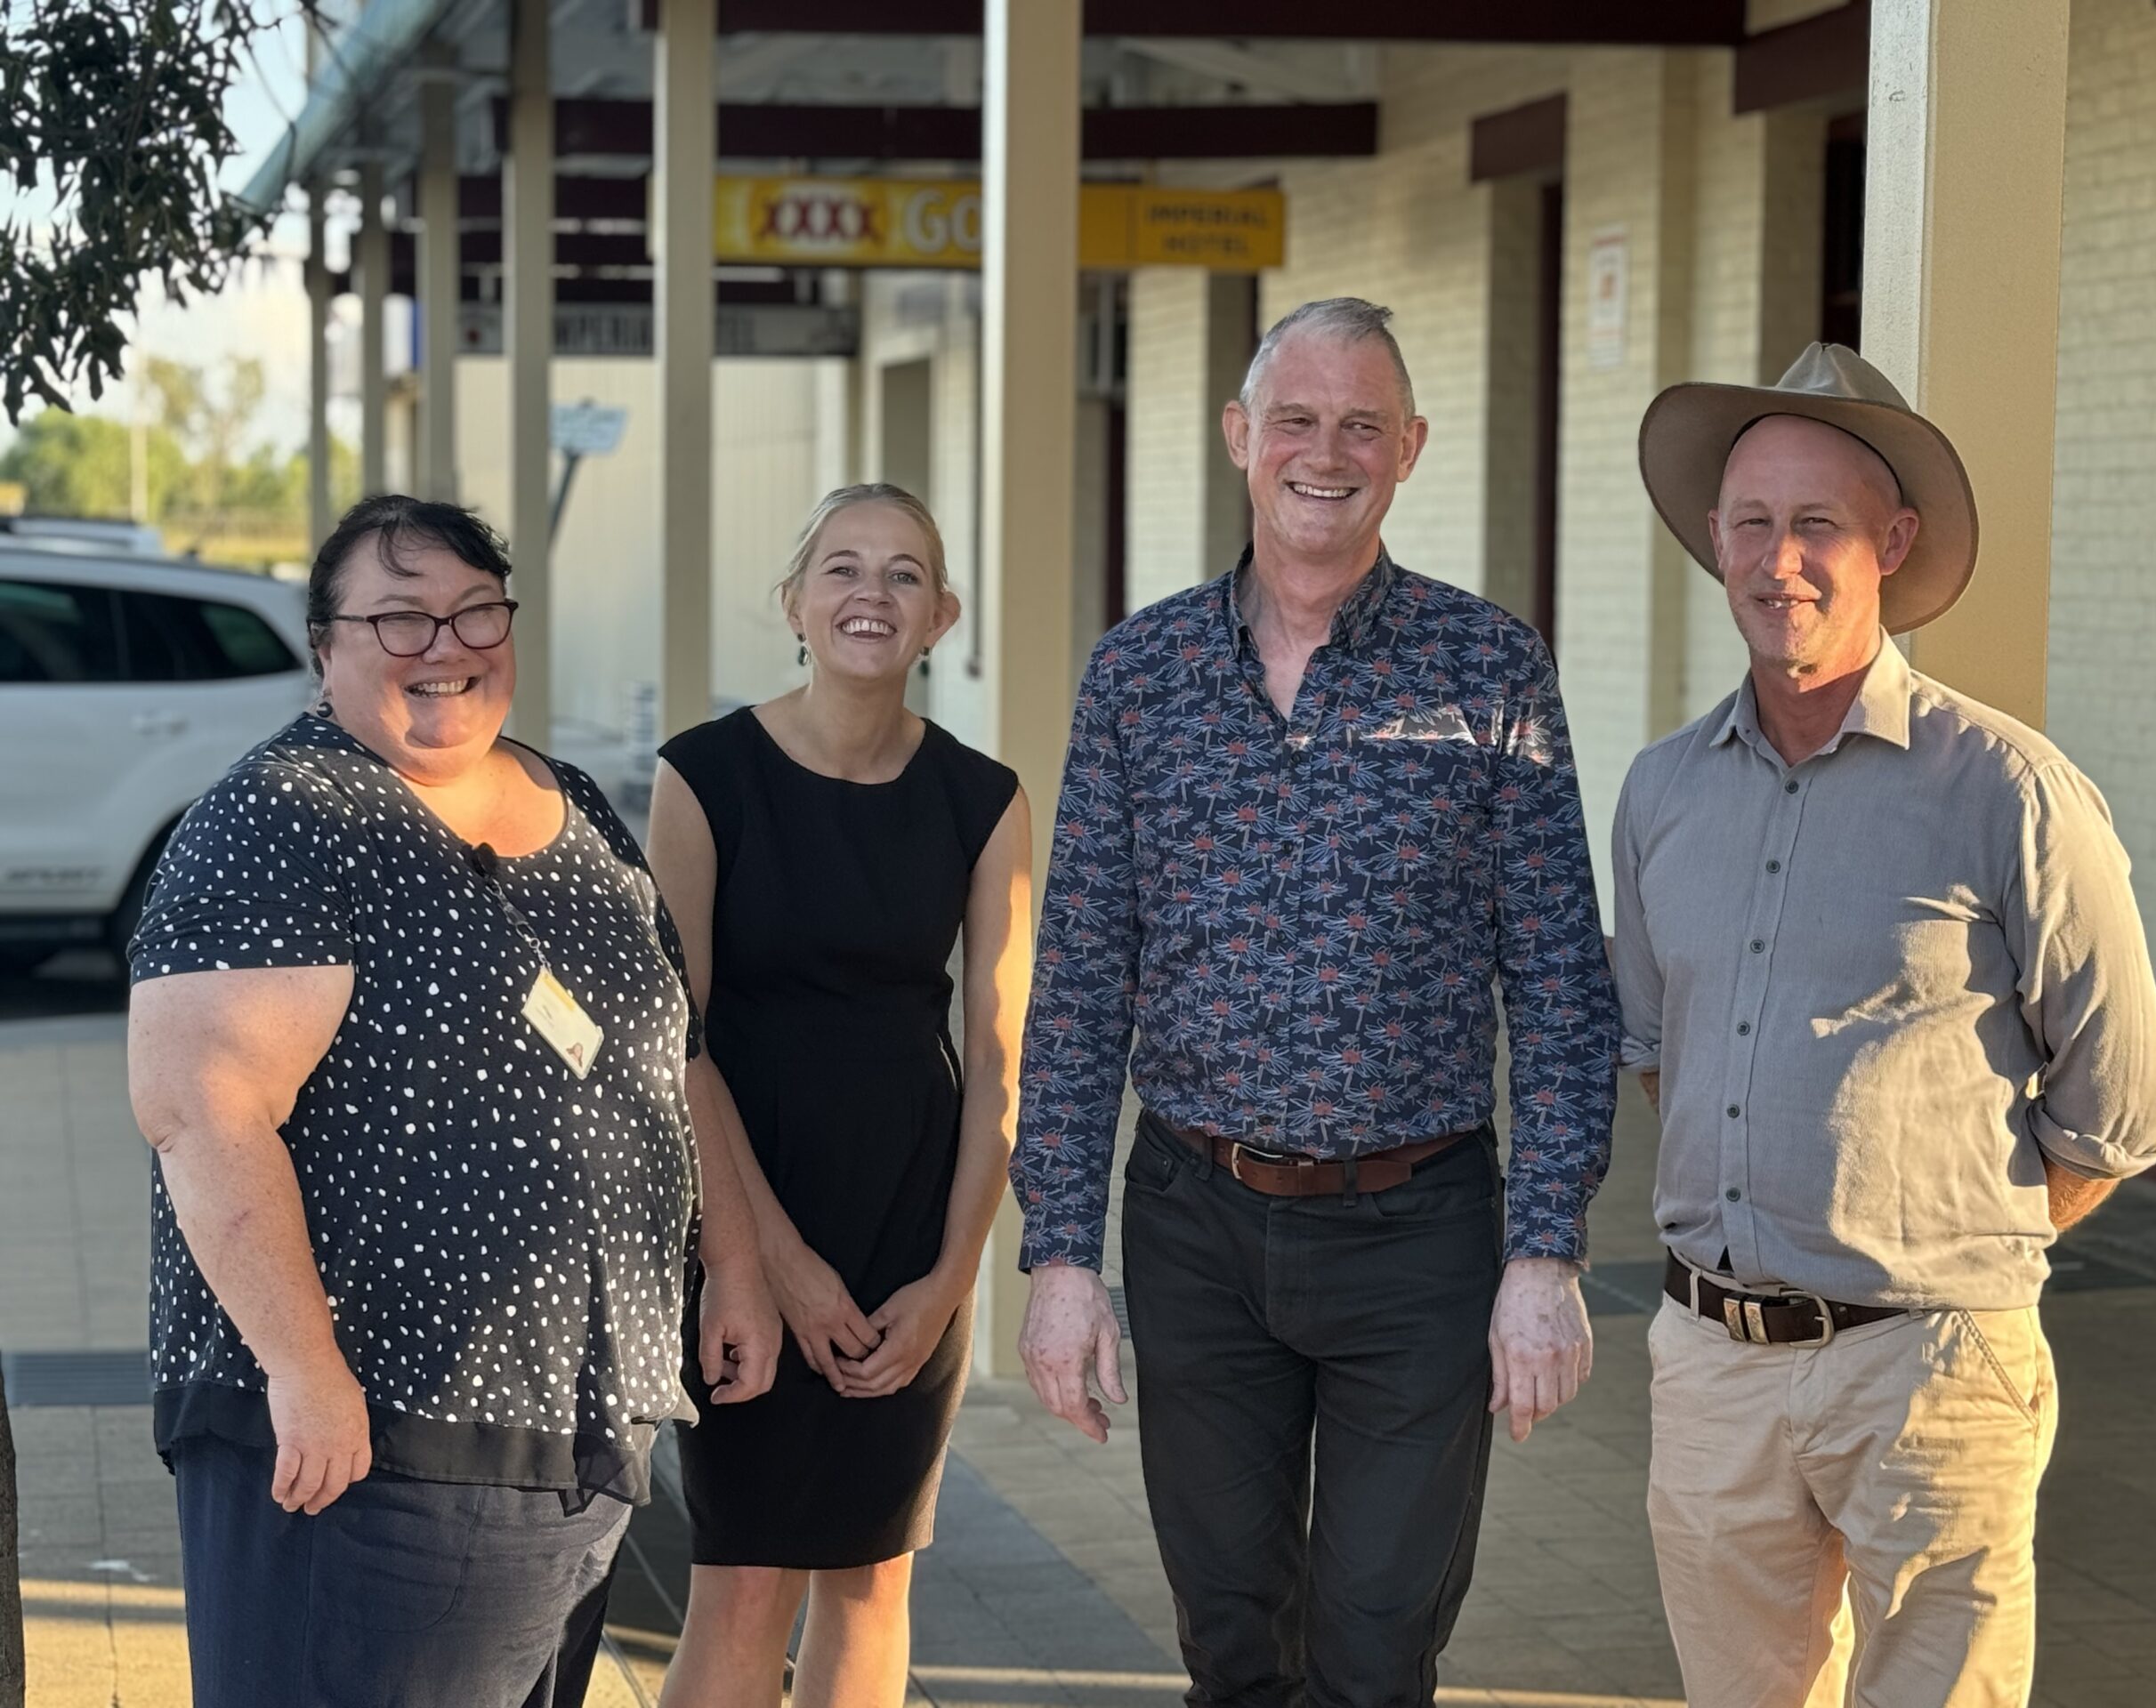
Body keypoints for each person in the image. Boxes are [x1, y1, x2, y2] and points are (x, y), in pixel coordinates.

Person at [1011, 298, 1620, 1707]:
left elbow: (1558, 983)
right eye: (1297, 420)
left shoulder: (1491, 669)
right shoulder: (1141, 674)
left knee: (1373, 1648)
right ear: (1241, 435)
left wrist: (1546, 1255)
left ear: (1410, 447)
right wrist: (1060, 1256)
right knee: (1230, 1644)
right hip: (1197, 1228)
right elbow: (1082, 978)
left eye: (1361, 426)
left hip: (1418, 1239)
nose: (1326, 454)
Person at [125, 495, 779, 1708]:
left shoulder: (572, 803)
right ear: (325, 647)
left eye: (478, 611)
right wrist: (303, 1370)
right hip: (371, 1445)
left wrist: (732, 1263)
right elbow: (202, 1111)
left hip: (575, 1437)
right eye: (401, 618)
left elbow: (673, 1058)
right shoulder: (284, 818)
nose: (447, 646)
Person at [1617, 343, 2156, 1704]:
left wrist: (1946, 1257)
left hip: (1932, 1370)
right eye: (1753, 521)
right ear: (1715, 539)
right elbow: (1657, 1055)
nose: (1781, 560)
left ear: (1894, 543)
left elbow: (2120, 1107)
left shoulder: (2009, 791)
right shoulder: (1659, 792)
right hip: (1713, 1372)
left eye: (1819, 523)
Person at [649, 483, 1031, 1708]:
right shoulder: (704, 776)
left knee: (872, 1577)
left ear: (941, 618)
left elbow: (1001, 1060)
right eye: (844, 568)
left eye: (905, 573)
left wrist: (950, 1282)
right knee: (744, 1576)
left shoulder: (983, 798)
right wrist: (768, 1261)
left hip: (913, 1223)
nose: (874, 592)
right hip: (740, 1218)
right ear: (795, 605)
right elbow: (677, 1040)